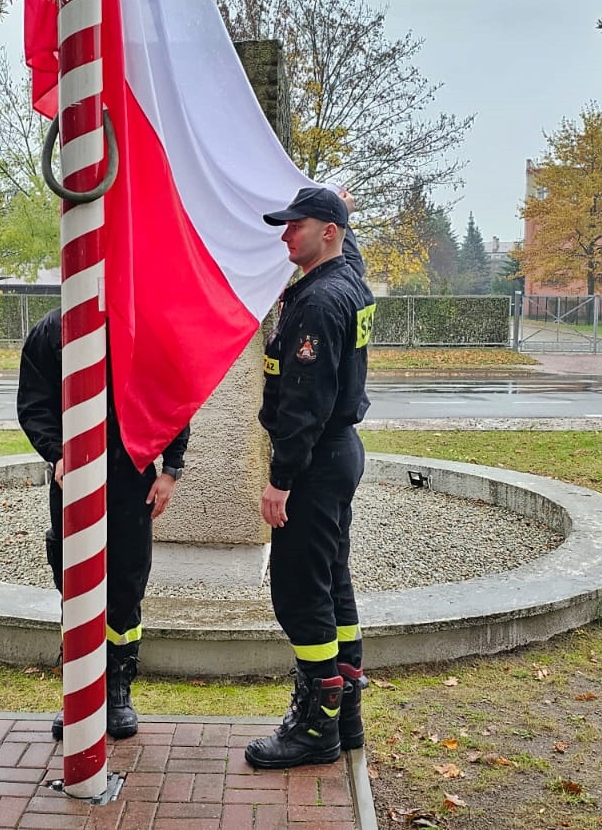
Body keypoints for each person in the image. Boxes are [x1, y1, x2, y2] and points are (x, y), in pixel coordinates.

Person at [244, 186, 375, 770]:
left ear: (327, 231)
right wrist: (343, 212)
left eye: (295, 225)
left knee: (300, 592)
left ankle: (316, 727)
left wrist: (282, 479)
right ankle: (346, 717)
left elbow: (304, 404)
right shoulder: (348, 278)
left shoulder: (320, 302)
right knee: (332, 583)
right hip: (338, 452)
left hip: (316, 460)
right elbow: (351, 249)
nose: (284, 234)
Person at [17, 307, 189, 740]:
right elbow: (34, 403)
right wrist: (57, 453)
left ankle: (117, 689)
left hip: (132, 476)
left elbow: (173, 397)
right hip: (73, 479)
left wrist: (171, 468)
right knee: (75, 586)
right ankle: (79, 691)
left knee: (126, 585)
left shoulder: (147, 327)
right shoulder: (53, 329)